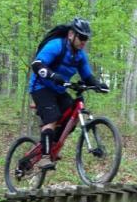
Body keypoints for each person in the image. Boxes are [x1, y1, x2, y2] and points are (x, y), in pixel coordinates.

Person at [29, 17, 108, 170]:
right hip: (41, 87)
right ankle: (44, 158)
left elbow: (87, 76)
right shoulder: (56, 46)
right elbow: (37, 64)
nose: (84, 41)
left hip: (59, 90)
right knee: (52, 118)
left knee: (72, 120)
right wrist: (52, 75)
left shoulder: (80, 56)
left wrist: (98, 85)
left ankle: (52, 146)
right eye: (82, 37)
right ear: (71, 35)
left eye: (86, 38)